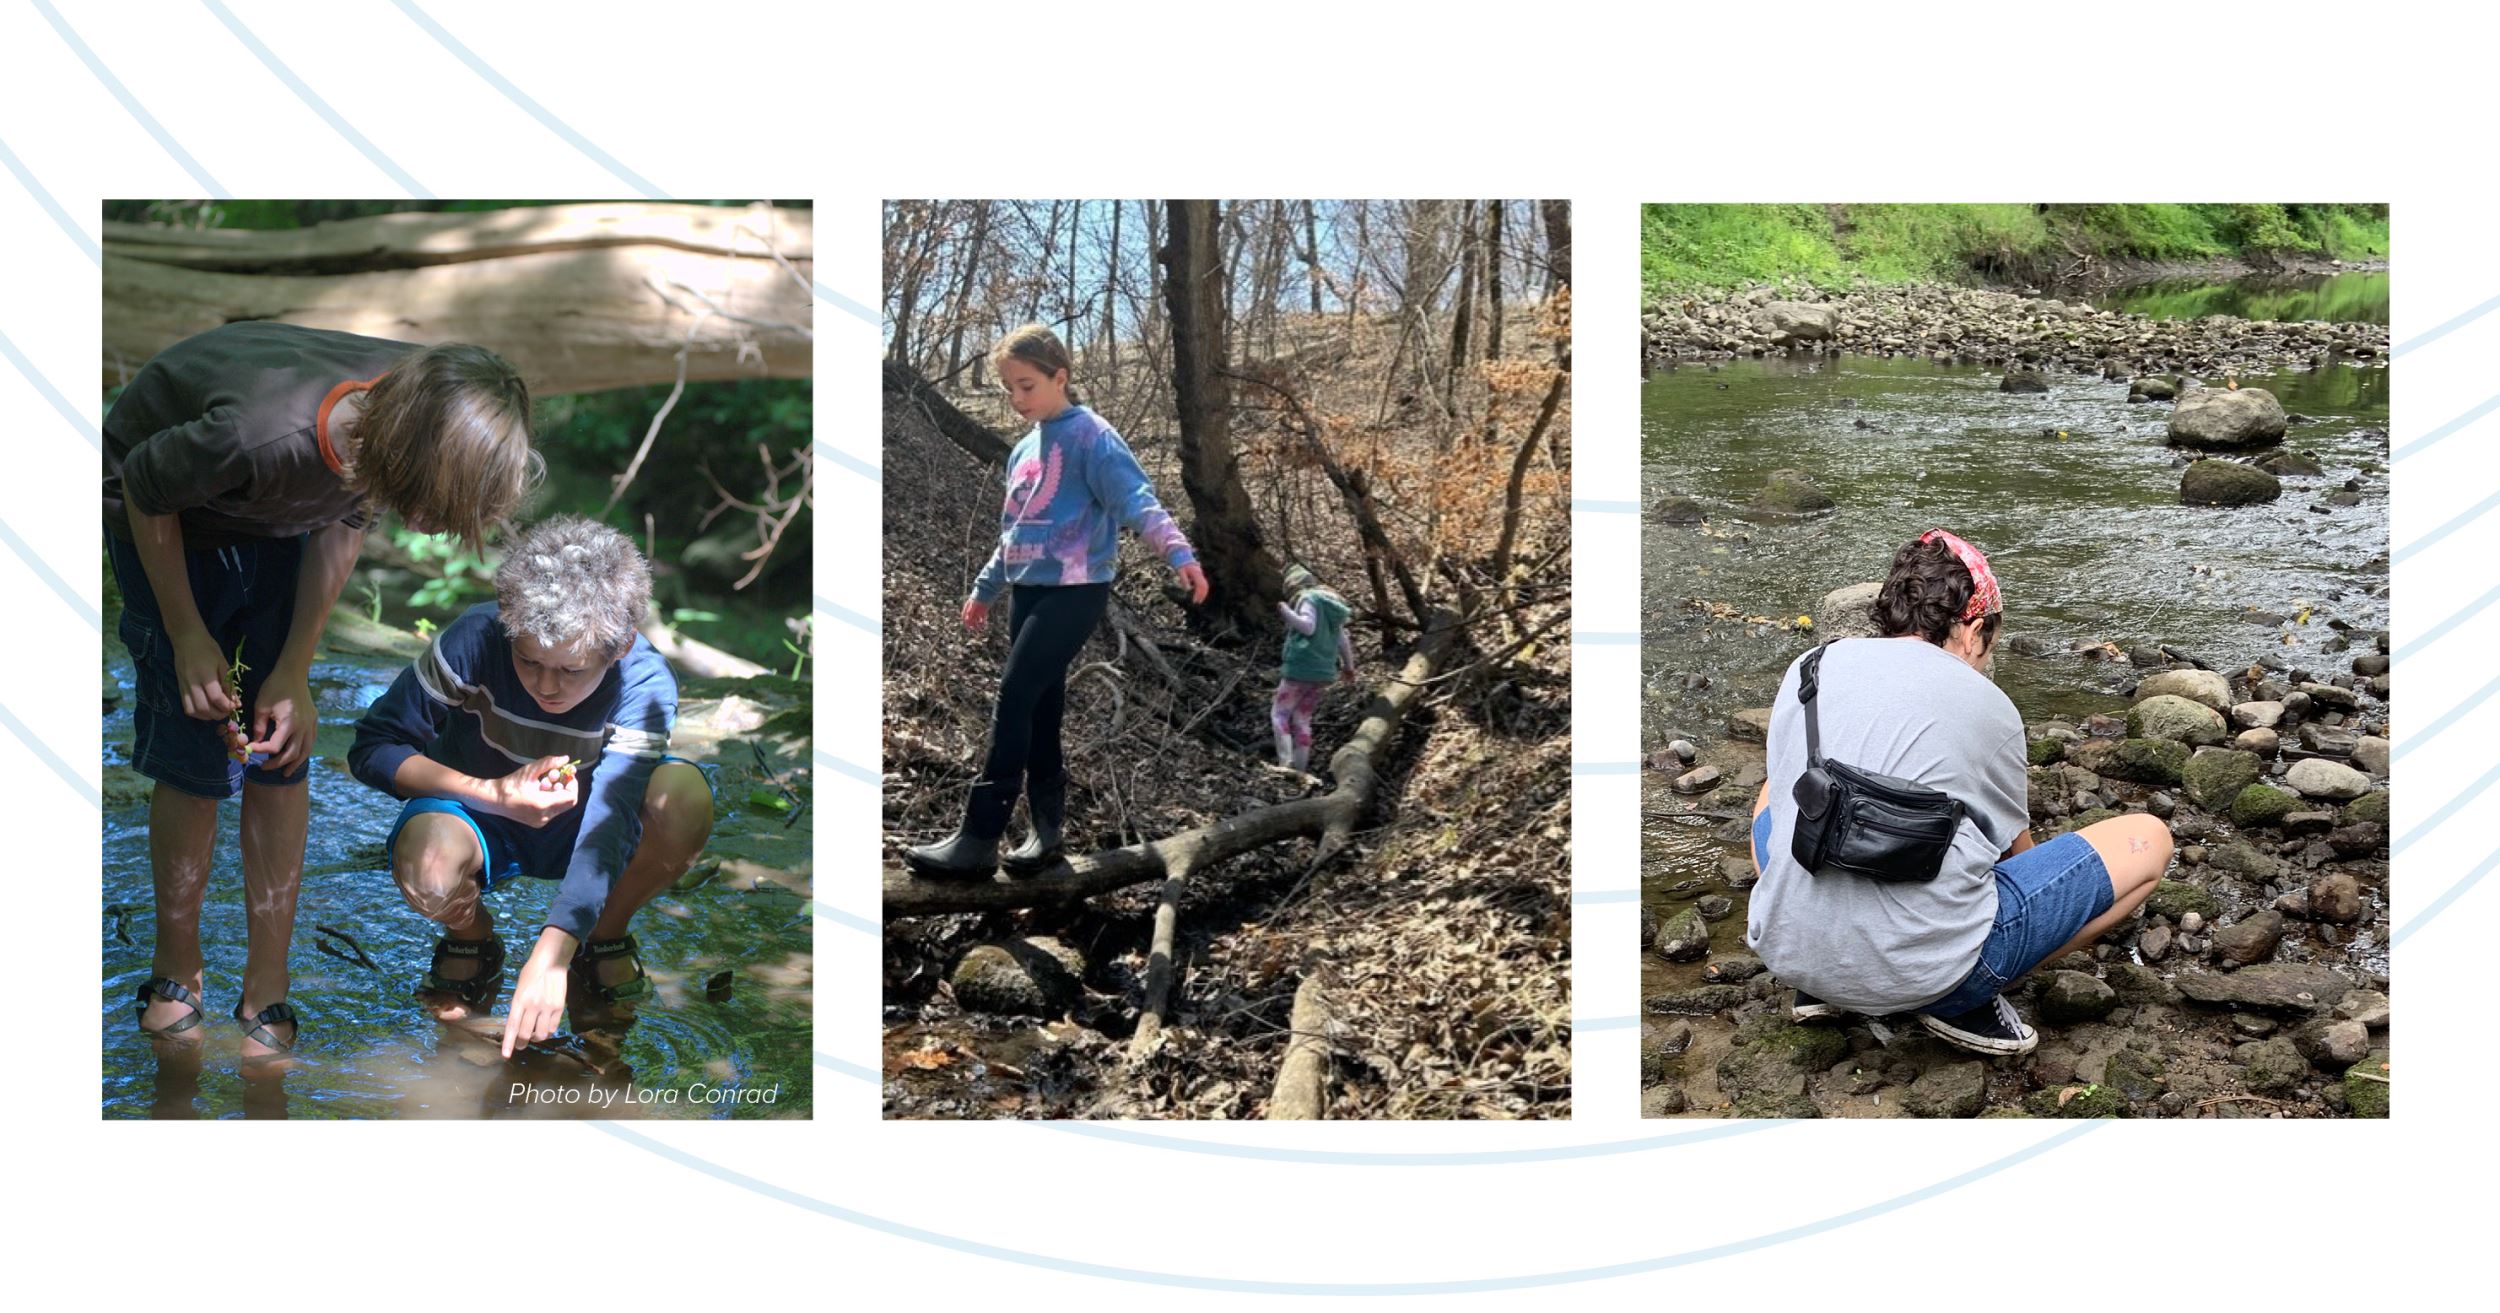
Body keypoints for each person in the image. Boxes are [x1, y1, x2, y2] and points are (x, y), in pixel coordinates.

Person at [108, 322, 538, 1058]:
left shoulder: (403, 422)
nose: (432, 529)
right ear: (405, 455)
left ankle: (266, 979)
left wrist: (293, 669)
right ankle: (176, 966)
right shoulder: (258, 436)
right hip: (165, 512)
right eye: (436, 506)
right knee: (196, 749)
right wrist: (186, 634)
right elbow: (142, 488)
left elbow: (346, 519)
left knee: (280, 740)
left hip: (274, 515)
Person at [1744, 530, 2172, 1057]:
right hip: (1930, 976)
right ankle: (1964, 996)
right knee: (2148, 839)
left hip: (1788, 952)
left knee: (1774, 789)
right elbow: (2010, 848)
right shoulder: (1987, 704)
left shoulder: (1810, 666)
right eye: (1989, 642)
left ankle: (1818, 968)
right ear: (1971, 630)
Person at [347, 515, 714, 1058]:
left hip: (586, 827)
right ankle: (471, 937)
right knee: (429, 868)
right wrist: (490, 793)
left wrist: (553, 952)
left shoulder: (644, 682)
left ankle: (601, 933)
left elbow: (612, 820)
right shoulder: (475, 638)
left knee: (683, 798)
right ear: (507, 624)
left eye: (570, 670)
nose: (546, 685)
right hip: (476, 814)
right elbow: (374, 747)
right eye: (528, 660)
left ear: (620, 646)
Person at [904, 324, 1208, 879]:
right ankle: (1046, 836)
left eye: (1027, 386)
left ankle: (978, 838)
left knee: (1015, 695)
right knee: (1042, 711)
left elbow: (1136, 499)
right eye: (1008, 389)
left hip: (1076, 591)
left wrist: (1178, 553)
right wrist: (985, 588)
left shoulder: (1092, 435)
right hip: (1028, 590)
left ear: (1059, 377)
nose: (1017, 400)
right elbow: (1014, 530)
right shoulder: (1024, 448)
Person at [1272, 563, 1357, 772]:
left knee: (1279, 714)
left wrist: (1285, 611)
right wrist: (1349, 666)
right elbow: (1342, 640)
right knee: (1302, 719)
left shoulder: (1308, 598)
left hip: (1300, 668)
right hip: (1323, 673)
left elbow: (1307, 627)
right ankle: (1301, 770)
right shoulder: (1330, 607)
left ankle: (1286, 763)